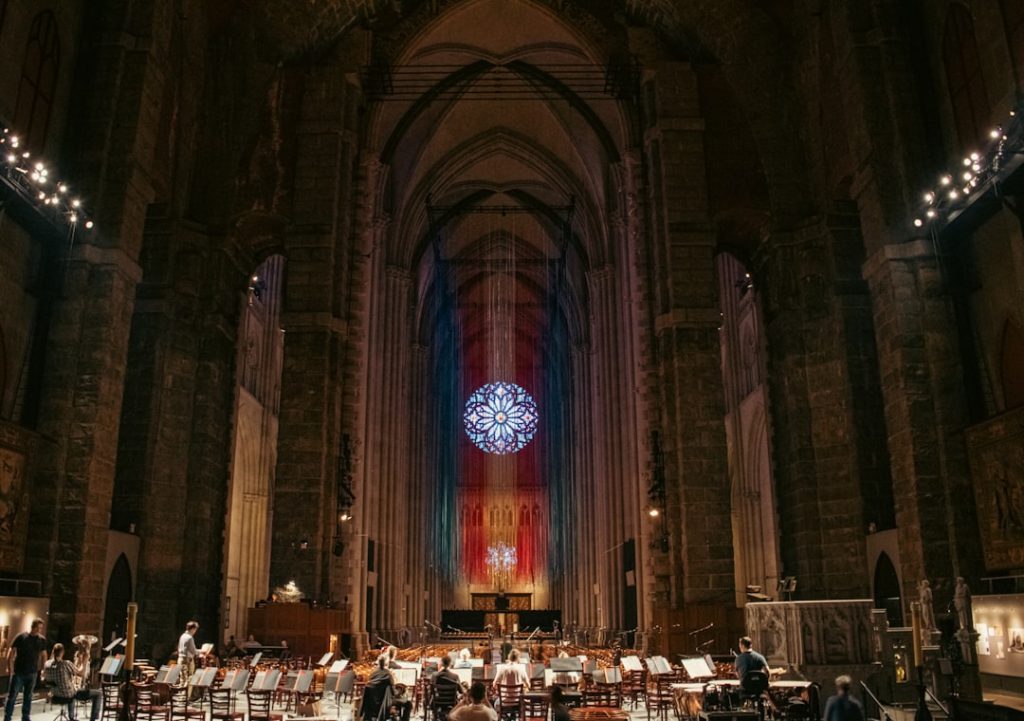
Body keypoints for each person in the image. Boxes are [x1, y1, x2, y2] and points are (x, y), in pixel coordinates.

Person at [4, 619, 48, 721]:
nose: (40, 630)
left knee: (28, 696)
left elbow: (44, 655)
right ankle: (7, 717)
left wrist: (43, 669)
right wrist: (10, 667)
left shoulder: (41, 640)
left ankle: (25, 717)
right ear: (33, 627)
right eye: (38, 628)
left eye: (41, 628)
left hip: (32, 672)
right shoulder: (21, 637)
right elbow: (11, 652)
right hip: (19, 672)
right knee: (12, 696)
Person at [46, 644, 101, 721]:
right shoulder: (66, 664)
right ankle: (93, 719)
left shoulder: (47, 664)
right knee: (98, 694)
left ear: (53, 652)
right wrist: (85, 660)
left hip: (55, 696)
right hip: (68, 695)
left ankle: (71, 717)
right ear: (62, 652)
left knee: (69, 688)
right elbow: (81, 673)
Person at [362, 656, 395, 721]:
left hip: (371, 702)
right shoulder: (387, 673)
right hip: (383, 702)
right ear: (385, 663)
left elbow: (369, 682)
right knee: (407, 704)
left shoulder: (373, 673)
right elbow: (392, 685)